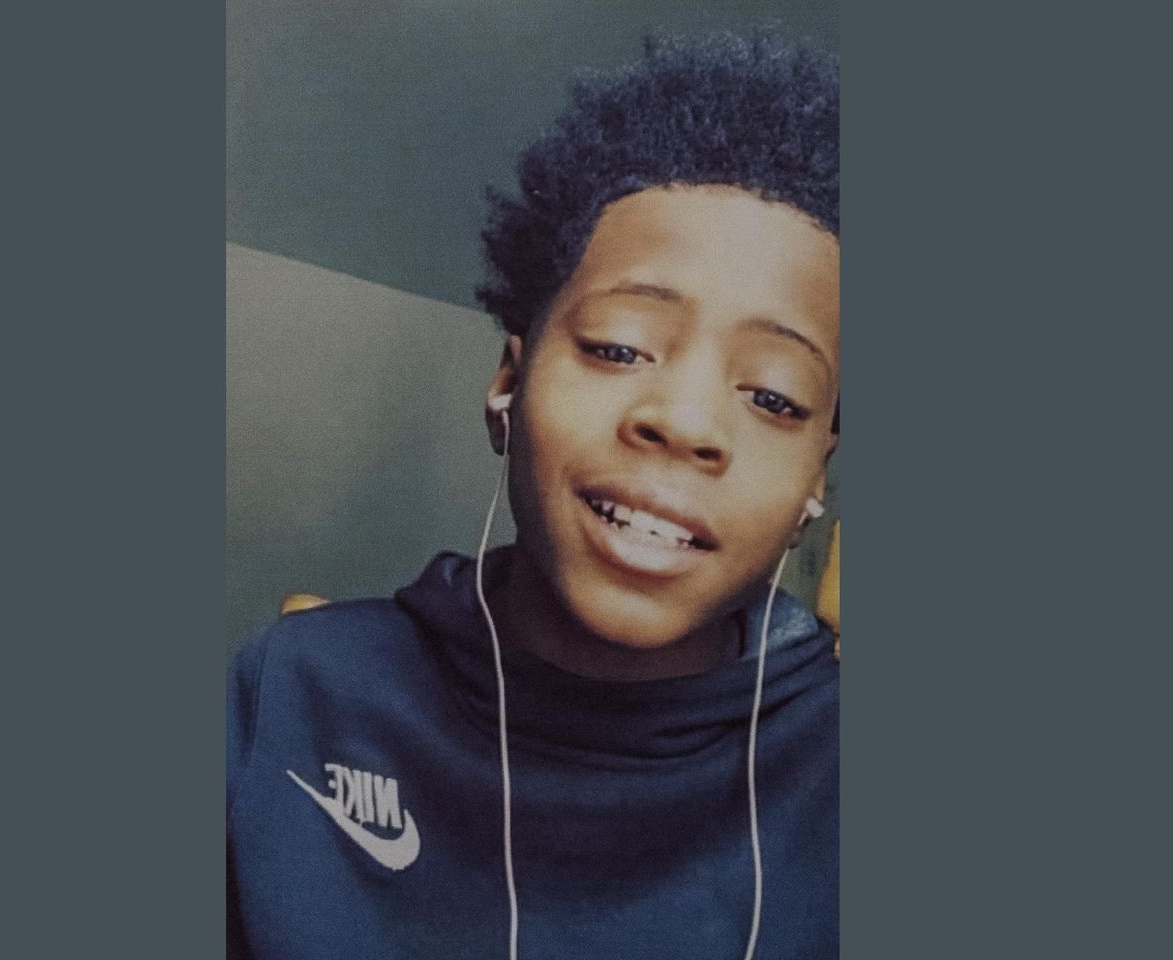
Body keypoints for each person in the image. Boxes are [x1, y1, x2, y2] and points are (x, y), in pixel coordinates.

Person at [228, 29, 839, 960]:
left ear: (814, 481)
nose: (685, 423)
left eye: (774, 397)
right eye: (619, 347)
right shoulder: (296, 688)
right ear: (508, 384)